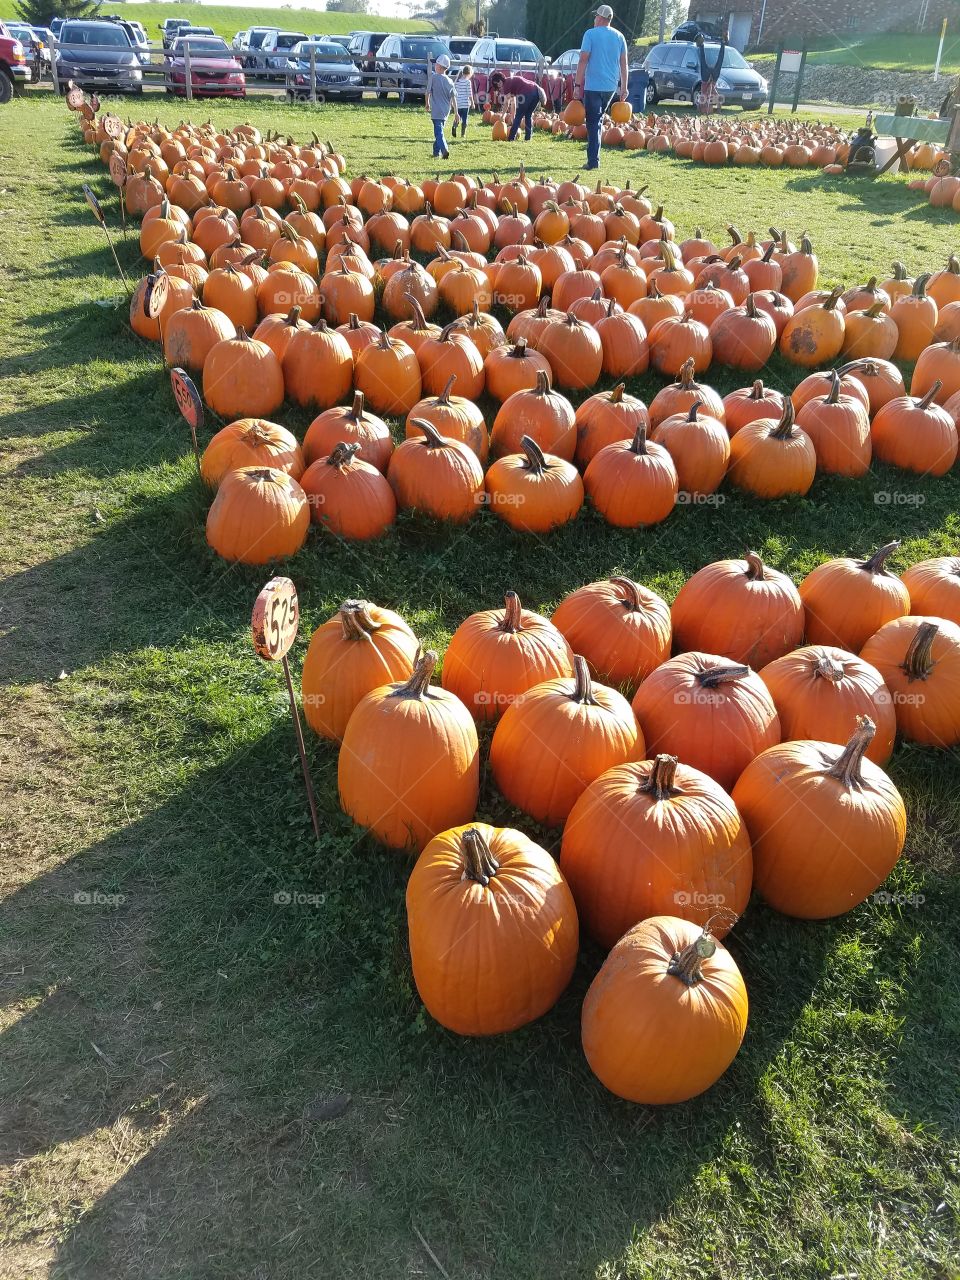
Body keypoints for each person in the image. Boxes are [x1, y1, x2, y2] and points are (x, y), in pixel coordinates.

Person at [572, 4, 629, 170]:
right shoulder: (620, 37)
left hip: (593, 86)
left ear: (601, 18)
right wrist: (624, 87)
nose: (594, 19)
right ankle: (594, 158)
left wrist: (577, 84)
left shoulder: (590, 34)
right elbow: (624, 64)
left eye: (596, 17)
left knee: (593, 122)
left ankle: (593, 161)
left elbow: (583, 60)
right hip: (610, 87)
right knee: (597, 119)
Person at [489, 69, 546, 143]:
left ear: (502, 79)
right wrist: (512, 116)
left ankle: (511, 138)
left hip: (527, 93)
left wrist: (502, 116)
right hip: (536, 92)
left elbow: (506, 103)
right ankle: (528, 138)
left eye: (499, 82)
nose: (499, 84)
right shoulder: (511, 82)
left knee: (519, 116)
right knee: (528, 115)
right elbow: (513, 103)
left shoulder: (506, 84)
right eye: (496, 84)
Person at [426, 53, 455, 160]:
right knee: (439, 132)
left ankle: (444, 149)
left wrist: (427, 103)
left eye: (435, 64)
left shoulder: (433, 77)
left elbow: (427, 92)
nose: (434, 66)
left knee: (438, 133)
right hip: (445, 111)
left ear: (439, 66)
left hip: (436, 111)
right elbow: (453, 97)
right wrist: (455, 111)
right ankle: (435, 152)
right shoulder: (450, 80)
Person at [451, 64, 476, 138]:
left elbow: (454, 93)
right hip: (465, 104)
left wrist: (452, 102)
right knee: (464, 119)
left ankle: (454, 126)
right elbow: (469, 93)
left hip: (458, 104)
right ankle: (463, 134)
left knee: (458, 117)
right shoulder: (467, 82)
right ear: (470, 73)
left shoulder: (457, 81)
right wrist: (472, 102)